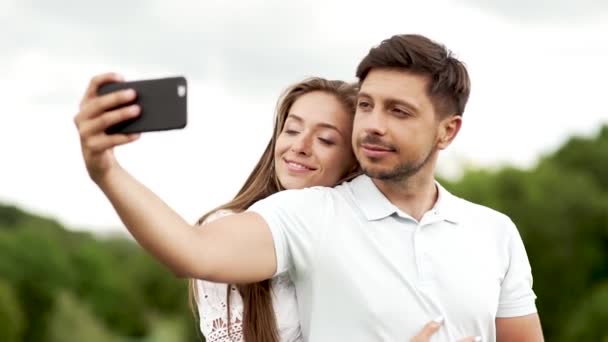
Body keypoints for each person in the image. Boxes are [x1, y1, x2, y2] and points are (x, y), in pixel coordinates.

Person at [74, 33, 542, 341]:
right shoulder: (309, 213)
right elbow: (192, 251)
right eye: (366, 106)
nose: (374, 125)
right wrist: (106, 170)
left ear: (448, 131)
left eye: (398, 112)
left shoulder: (495, 233)